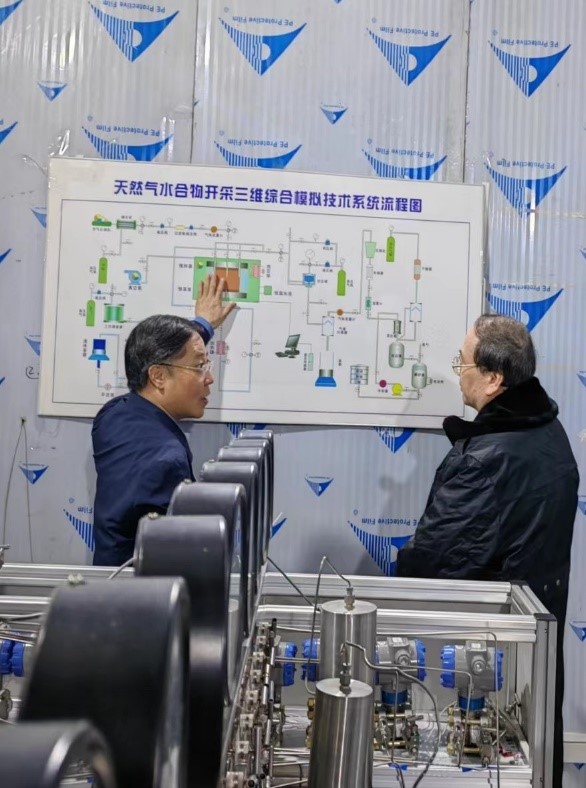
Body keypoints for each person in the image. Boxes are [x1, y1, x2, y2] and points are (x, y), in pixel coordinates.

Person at [397, 314, 578, 787]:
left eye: (463, 362)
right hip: (537, 650)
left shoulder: (485, 459)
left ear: (494, 378)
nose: (459, 372)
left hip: (492, 660)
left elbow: (429, 565)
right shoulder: (550, 431)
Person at [92, 274, 236, 567]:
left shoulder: (112, 415)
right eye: (200, 366)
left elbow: (168, 357)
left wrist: (202, 325)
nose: (209, 378)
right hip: (140, 590)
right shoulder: (165, 462)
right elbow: (178, 556)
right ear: (157, 376)